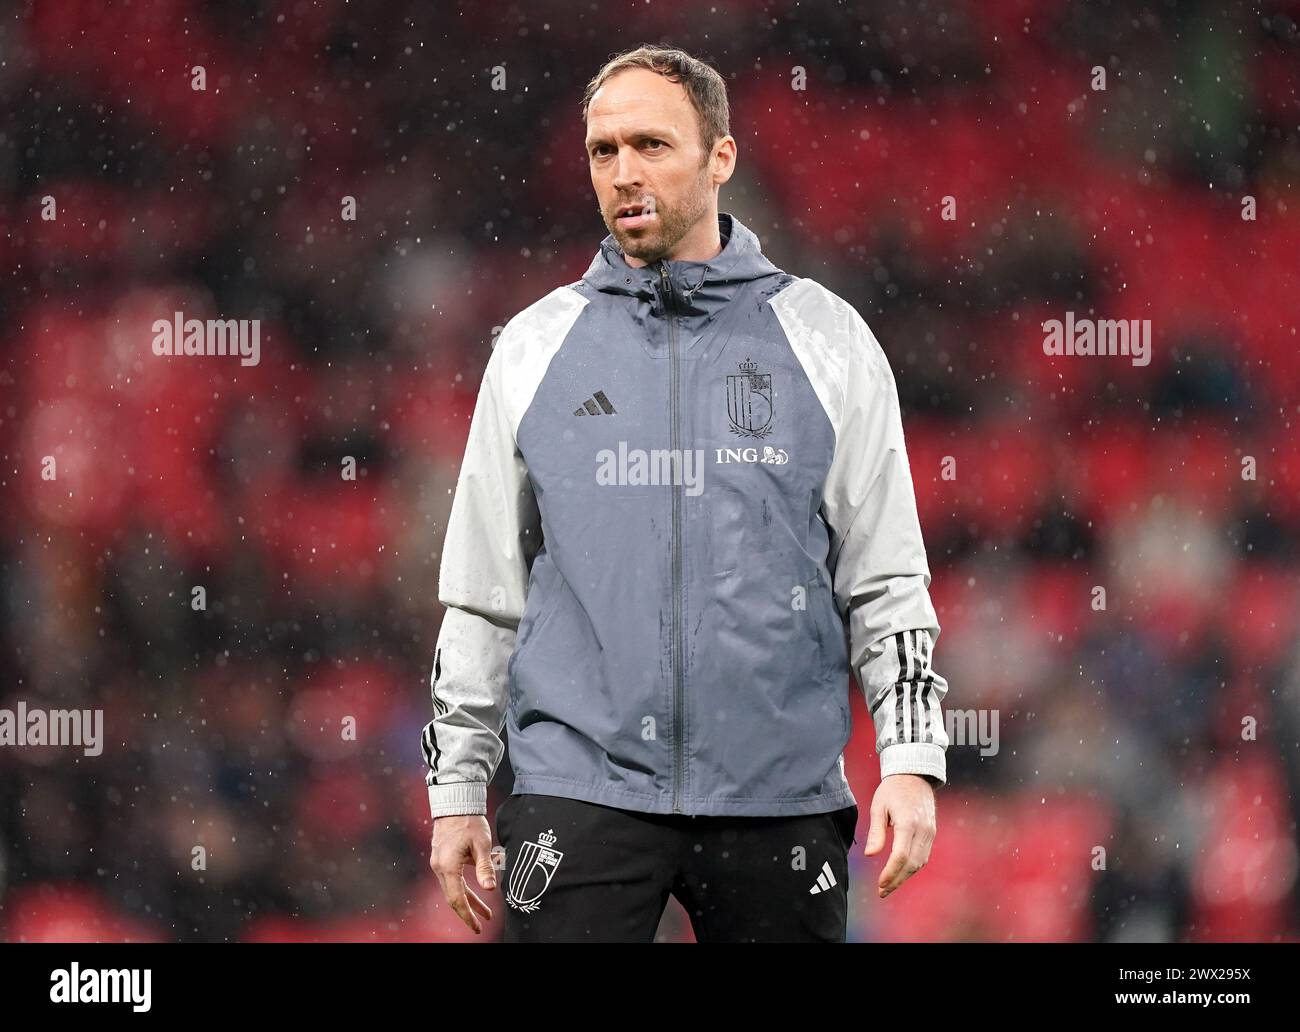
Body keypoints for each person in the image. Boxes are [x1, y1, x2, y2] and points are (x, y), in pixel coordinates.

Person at [422, 44, 950, 942]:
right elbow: (482, 592)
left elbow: (886, 577)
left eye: (652, 145)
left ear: (721, 157)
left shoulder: (827, 341)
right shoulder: (533, 347)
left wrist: (910, 757)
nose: (624, 173)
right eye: (603, 151)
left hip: (777, 793)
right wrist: (458, 789)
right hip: (578, 791)